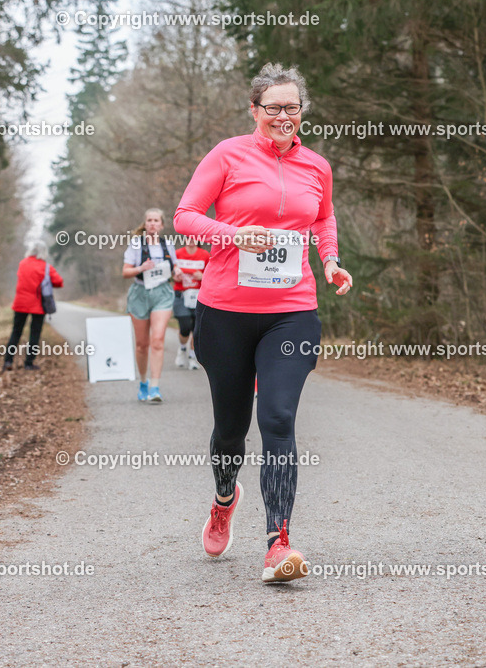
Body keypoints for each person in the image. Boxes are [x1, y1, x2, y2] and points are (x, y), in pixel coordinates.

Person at [174, 62, 353, 583]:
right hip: (226, 312)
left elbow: (323, 217)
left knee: (277, 419)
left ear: (302, 111)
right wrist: (233, 234)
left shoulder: (316, 166)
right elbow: (186, 216)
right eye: (272, 107)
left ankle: (279, 543)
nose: (282, 116)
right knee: (231, 430)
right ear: (255, 110)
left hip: (291, 312)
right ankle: (223, 498)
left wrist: (330, 260)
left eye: (291, 107)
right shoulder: (227, 155)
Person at [122, 208, 183, 403]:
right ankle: (143, 382)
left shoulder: (167, 244)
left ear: (162, 225)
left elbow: (174, 267)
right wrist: (141, 268)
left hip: (162, 294)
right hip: (140, 293)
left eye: (156, 220)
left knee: (157, 340)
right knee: (142, 345)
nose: (152, 223)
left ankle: (155, 387)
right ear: (145, 223)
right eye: (149, 220)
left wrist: (177, 272)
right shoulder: (136, 244)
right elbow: (125, 272)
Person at [3, 241, 64, 372]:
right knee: (34, 334)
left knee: (16, 332)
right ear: (44, 252)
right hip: (38, 305)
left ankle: (8, 361)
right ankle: (29, 363)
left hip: (20, 303)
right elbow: (59, 282)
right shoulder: (45, 267)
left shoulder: (22, 264)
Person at [172, 237, 210, 370]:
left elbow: (212, 274)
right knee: (185, 326)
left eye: (194, 237)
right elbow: (172, 272)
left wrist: (203, 276)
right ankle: (182, 348)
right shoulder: (177, 253)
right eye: (188, 237)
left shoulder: (204, 255)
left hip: (198, 295)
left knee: (196, 329)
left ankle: (192, 356)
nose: (191, 239)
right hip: (181, 294)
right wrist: (175, 276)